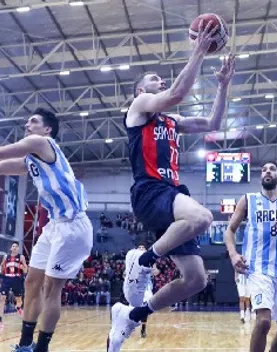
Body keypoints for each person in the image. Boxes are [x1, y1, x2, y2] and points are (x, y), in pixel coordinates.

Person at [107, 20, 236, 352]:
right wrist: (199, 51)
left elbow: (213, 123)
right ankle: (145, 260)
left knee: (196, 280)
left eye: (159, 79)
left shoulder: (172, 121)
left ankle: (132, 315)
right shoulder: (138, 110)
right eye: (153, 79)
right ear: (140, 91)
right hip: (151, 190)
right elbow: (177, 93)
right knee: (204, 219)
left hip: (172, 192)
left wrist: (222, 86)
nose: (159, 81)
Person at [0, 108, 92, 352]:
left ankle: (42, 348)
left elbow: (5, 152)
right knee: (32, 282)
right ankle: (25, 344)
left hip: (73, 226)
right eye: (28, 121)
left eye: (33, 121)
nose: (27, 124)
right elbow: (3, 166)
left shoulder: (41, 142)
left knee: (51, 289)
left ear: (47, 129)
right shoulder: (32, 161)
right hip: (54, 226)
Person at [224, 161, 277, 352]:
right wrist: (233, 254)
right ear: (261, 177)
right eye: (263, 170)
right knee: (263, 322)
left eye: (271, 169)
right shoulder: (248, 199)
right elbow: (229, 230)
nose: (267, 172)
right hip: (257, 269)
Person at [0, 241, 28, 328]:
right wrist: (2, 270)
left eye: (16, 246)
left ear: (18, 249)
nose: (15, 247)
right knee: (2, 298)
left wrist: (23, 268)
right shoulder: (6, 257)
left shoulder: (21, 257)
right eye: (13, 246)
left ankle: (18, 308)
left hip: (16, 279)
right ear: (11, 248)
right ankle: (0, 320)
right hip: (7, 279)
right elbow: (2, 267)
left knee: (19, 300)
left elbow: (26, 270)